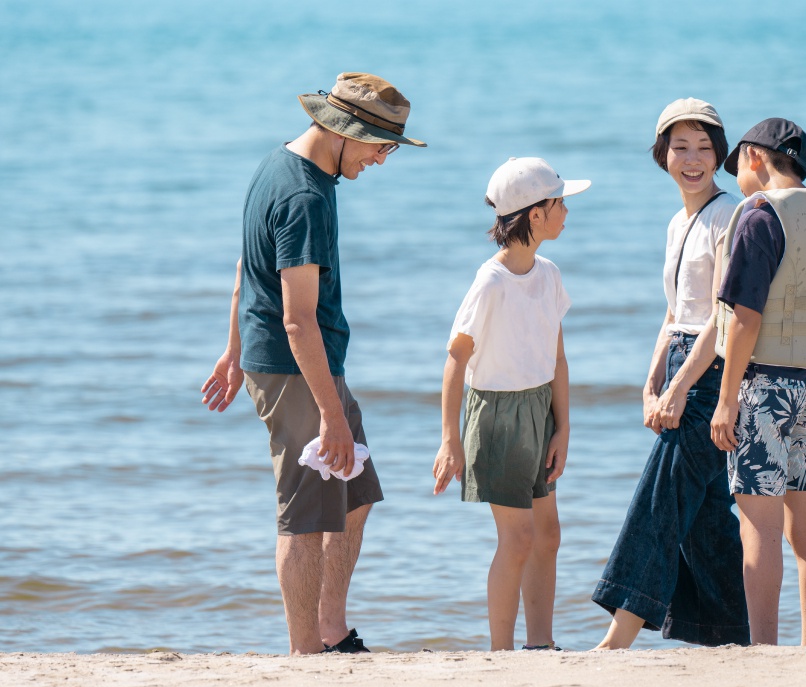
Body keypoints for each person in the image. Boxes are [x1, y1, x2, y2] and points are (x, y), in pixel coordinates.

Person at [200, 72, 426, 655]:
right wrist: (330, 414)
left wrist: (231, 350)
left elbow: (245, 268)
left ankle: (331, 627)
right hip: (295, 369)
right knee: (303, 518)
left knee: (356, 493)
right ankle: (305, 654)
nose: (382, 160)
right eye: (382, 147)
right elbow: (297, 320)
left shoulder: (283, 165)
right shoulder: (304, 196)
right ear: (344, 132)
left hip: (299, 362)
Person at [592, 98, 750, 649]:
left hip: (711, 371)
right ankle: (732, 636)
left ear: (720, 156)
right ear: (663, 155)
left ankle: (618, 637)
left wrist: (680, 389)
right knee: (705, 516)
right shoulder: (677, 221)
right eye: (681, 147)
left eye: (705, 148)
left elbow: (721, 316)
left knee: (660, 499)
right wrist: (651, 380)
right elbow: (673, 312)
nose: (692, 159)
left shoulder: (727, 215)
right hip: (682, 361)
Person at [432, 157, 590, 651]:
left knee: (548, 536)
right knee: (518, 539)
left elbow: (558, 357)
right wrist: (450, 441)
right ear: (535, 215)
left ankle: (540, 645)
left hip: (539, 410)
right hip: (498, 417)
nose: (566, 210)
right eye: (559, 202)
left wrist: (562, 428)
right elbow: (456, 361)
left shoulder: (548, 274)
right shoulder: (491, 282)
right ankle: (500, 653)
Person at [710, 118, 806, 645]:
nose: (738, 180)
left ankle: (764, 649)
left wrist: (725, 401)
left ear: (755, 158)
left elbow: (745, 316)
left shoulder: (760, 217)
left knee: (758, 528)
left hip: (763, 390)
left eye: (737, 167)